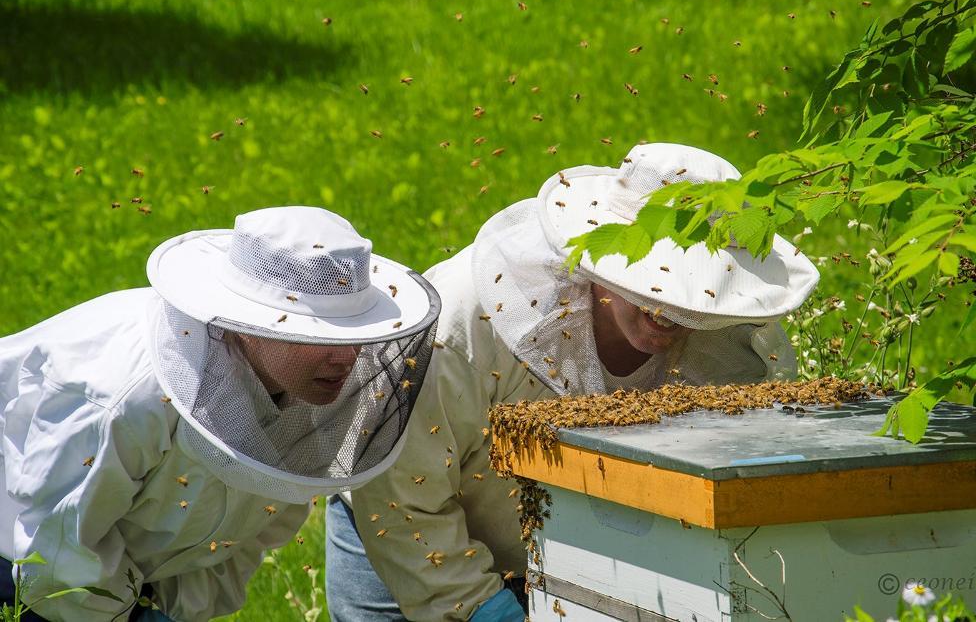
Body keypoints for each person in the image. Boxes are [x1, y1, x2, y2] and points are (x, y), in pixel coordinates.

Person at [325, 143, 821, 621]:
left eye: (689, 290)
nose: (667, 313)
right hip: (400, 535)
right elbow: (401, 492)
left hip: (566, 557)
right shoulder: (465, 322)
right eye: (652, 283)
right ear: (599, 253)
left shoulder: (734, 346)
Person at [0, 206, 441, 621]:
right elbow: (52, 553)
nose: (348, 359)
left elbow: (246, 536)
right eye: (322, 335)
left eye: (357, 333)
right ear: (249, 325)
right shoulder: (128, 396)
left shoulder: (304, 394)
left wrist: (164, 608)